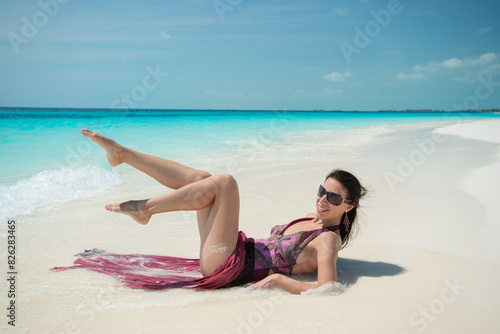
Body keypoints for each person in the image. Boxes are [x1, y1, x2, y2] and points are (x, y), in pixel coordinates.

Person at [59, 129, 366, 294]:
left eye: (334, 199)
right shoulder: (312, 221)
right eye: (321, 192)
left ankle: (146, 209)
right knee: (203, 180)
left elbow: (328, 289)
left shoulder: (329, 240)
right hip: (230, 252)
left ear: (349, 207)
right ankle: (123, 155)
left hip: (230, 266)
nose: (323, 200)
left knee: (225, 183)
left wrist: (279, 281)